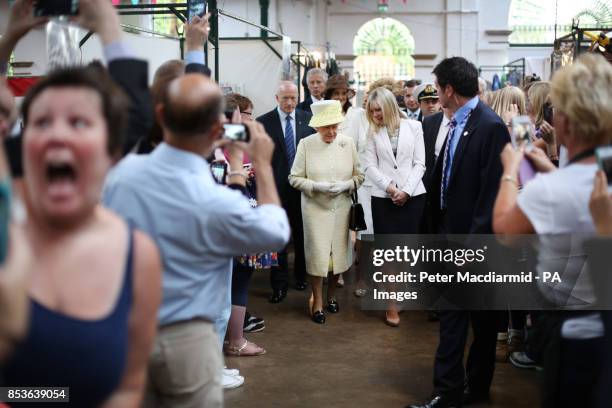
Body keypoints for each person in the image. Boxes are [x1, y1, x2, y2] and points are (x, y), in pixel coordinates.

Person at [0, 2, 163, 407]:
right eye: (41, 122)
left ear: (111, 147)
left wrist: (109, 24)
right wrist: (9, 40)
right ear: (23, 145)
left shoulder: (136, 254)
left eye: (78, 122)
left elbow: (128, 385)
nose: (58, 136)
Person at [104, 73, 290, 406]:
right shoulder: (215, 201)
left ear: (160, 116)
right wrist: (259, 164)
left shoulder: (121, 175)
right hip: (186, 340)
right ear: (219, 131)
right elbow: (275, 232)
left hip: (124, 335)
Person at [492, 53, 612, 408]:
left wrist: (511, 171)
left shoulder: (551, 192)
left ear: (567, 122)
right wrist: (550, 169)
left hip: (577, 330)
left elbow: (506, 231)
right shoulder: (591, 179)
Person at [408, 57, 510, 408]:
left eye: (437, 88)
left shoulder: (490, 126)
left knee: (482, 325)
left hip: (477, 244)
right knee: (451, 318)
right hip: (450, 237)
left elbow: (492, 193)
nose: (436, 94)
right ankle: (446, 392)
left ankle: (477, 389)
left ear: (449, 90)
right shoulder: (450, 123)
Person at [289, 100, 364, 324]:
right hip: (314, 210)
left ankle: (331, 296)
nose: (331, 131)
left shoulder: (347, 143)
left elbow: (359, 176)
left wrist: (346, 185)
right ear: (316, 127)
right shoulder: (306, 144)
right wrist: (316, 186)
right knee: (317, 257)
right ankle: (318, 301)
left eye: (334, 126)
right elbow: (294, 178)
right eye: (326, 127)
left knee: (338, 258)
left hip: (341, 209)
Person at [362, 87, 426, 327]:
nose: (376, 114)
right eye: (372, 110)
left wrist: (406, 191)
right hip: (383, 198)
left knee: (407, 253)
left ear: (389, 106)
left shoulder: (415, 127)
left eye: (379, 109)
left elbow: (420, 164)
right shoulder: (372, 132)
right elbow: (369, 166)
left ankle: (399, 292)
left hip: (413, 197)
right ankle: (391, 303)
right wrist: (391, 189)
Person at [220, 93, 270, 356]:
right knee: (237, 281)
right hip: (237, 219)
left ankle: (233, 338)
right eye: (246, 114)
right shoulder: (231, 139)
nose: (249, 118)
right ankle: (235, 341)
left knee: (236, 281)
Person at [257, 81, 314, 303]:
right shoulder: (263, 122)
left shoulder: (308, 119)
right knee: (277, 238)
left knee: (302, 235)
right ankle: (278, 284)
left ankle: (301, 276)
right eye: (285, 98)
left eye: (293, 98)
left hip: (302, 188)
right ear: (276, 98)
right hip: (275, 188)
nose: (290, 102)